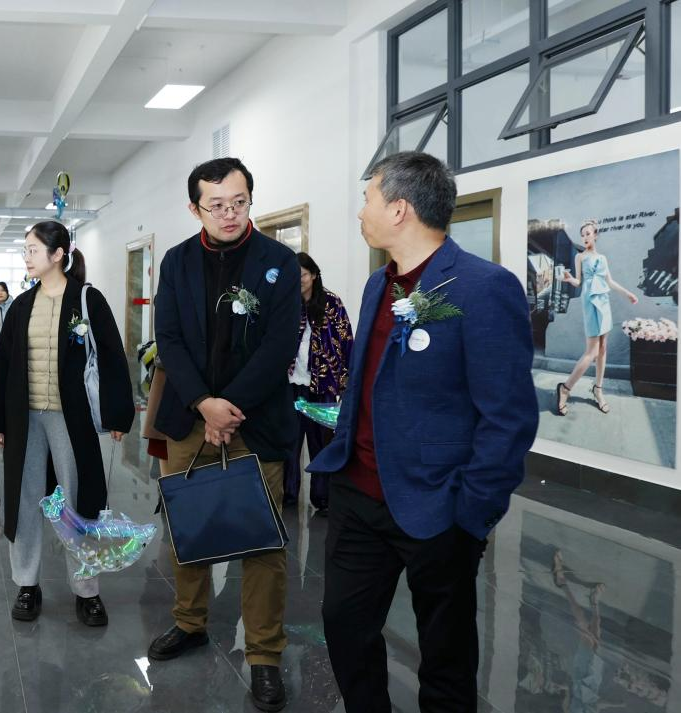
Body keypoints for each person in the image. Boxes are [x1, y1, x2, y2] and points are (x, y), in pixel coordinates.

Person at [307, 151, 538, 712]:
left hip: (439, 503)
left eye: (368, 199)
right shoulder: (376, 285)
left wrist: (472, 513)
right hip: (358, 493)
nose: (361, 211)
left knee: (445, 653)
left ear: (399, 209)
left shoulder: (483, 287)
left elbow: (508, 416)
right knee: (344, 624)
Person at [147, 157, 300, 712]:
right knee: (188, 528)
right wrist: (203, 404)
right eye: (216, 205)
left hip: (255, 422)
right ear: (196, 209)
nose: (230, 213)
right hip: (190, 419)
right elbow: (168, 339)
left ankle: (264, 654)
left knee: (262, 543)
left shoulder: (279, 261)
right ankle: (189, 622)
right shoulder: (177, 261)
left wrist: (229, 408)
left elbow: (280, 345)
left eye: (239, 202)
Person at [0, 221, 134, 627]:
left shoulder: (87, 300)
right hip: (25, 418)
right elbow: (4, 364)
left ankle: (87, 590)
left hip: (72, 418)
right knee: (24, 500)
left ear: (58, 254)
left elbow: (112, 357)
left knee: (78, 500)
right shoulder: (21, 305)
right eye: (25, 250)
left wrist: (118, 414)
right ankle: (27, 583)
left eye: (33, 249)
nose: (27, 257)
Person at [284, 252, 353, 515]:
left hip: (323, 385)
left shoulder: (331, 303)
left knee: (321, 444)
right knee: (289, 443)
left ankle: (323, 498)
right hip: (291, 384)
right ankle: (288, 494)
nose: (298, 279)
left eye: (302, 274)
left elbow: (346, 340)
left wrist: (346, 381)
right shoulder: (286, 302)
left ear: (313, 275)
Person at [555, 219, 639, 416]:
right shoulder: (580, 257)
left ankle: (598, 389)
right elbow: (579, 282)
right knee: (591, 352)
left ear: (595, 235)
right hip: (590, 302)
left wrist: (627, 294)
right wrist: (569, 279)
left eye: (588, 233)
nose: (585, 237)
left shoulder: (602, 258)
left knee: (602, 350)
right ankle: (565, 388)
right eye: (582, 234)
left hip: (603, 301)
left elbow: (609, 281)